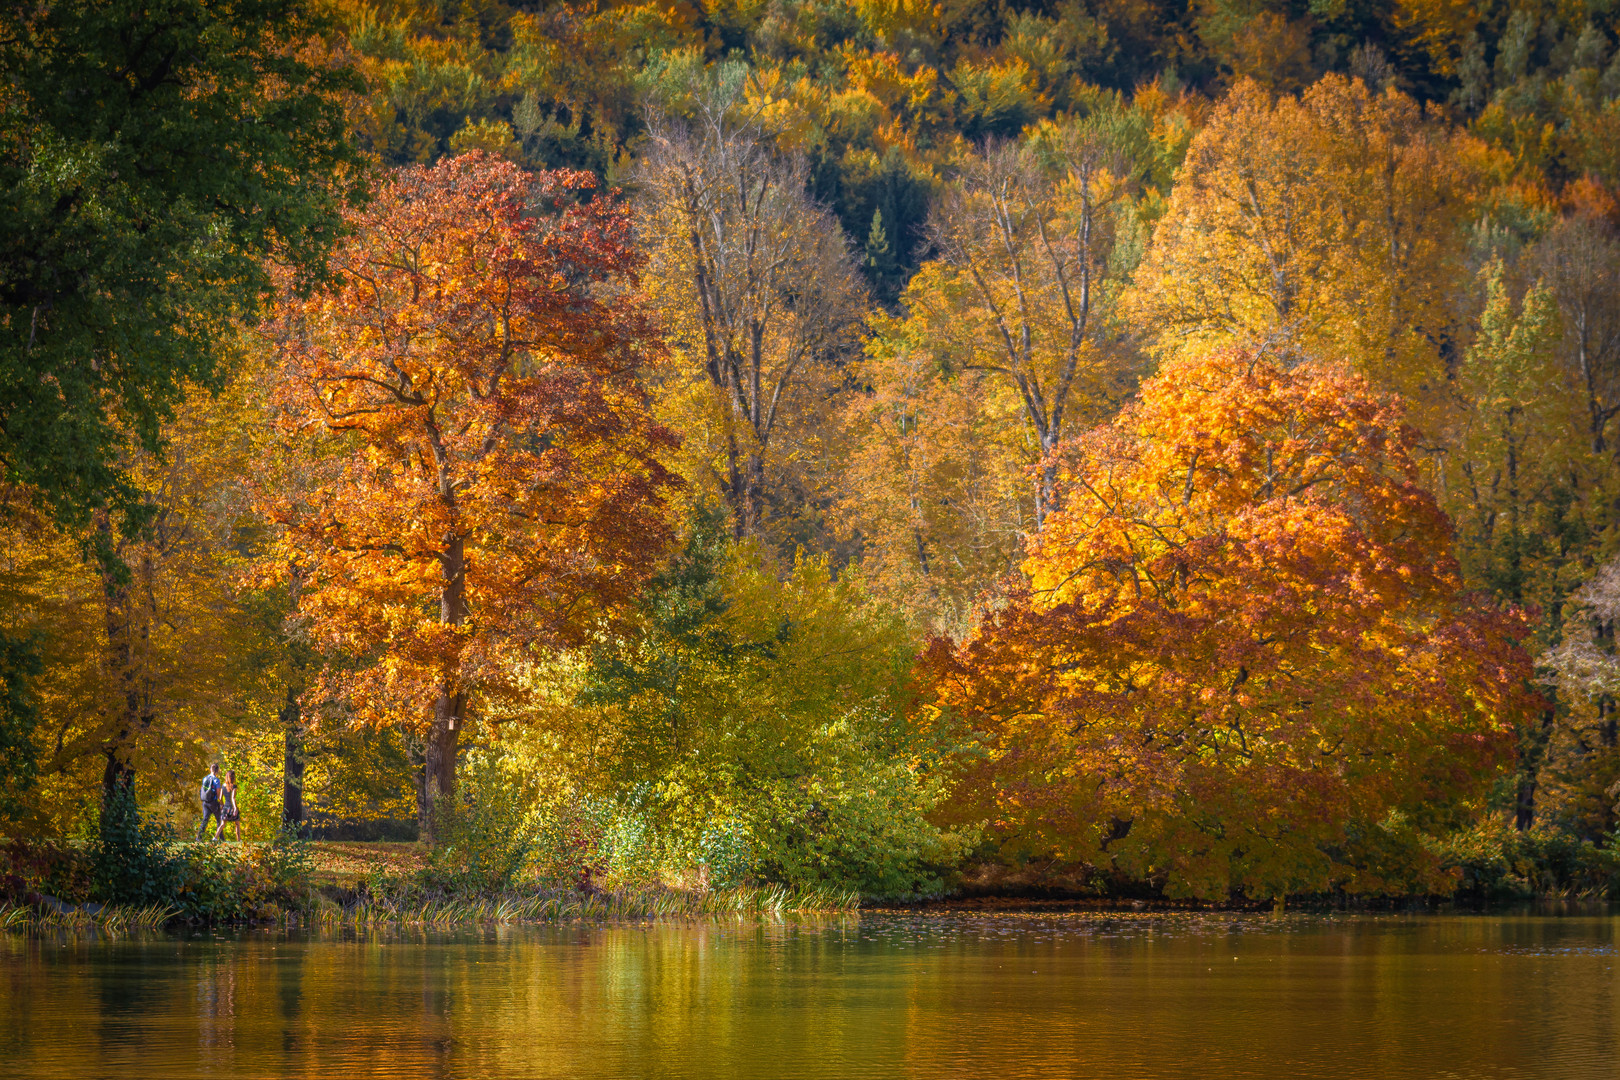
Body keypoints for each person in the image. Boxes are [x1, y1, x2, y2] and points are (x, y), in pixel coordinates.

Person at [214, 769, 243, 843]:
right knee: (237, 824)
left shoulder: (223, 786)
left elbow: (220, 798)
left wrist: (222, 805)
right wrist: (235, 808)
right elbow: (233, 798)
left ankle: (215, 838)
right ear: (233, 777)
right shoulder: (234, 786)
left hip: (225, 807)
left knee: (222, 824)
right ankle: (239, 840)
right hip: (232, 808)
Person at [197, 763, 224, 840]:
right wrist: (221, 803)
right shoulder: (216, 780)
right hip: (213, 802)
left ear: (210, 769)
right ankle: (221, 838)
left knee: (205, 820)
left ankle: (199, 837)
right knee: (219, 820)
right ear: (217, 771)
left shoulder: (205, 779)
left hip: (205, 802)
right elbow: (218, 794)